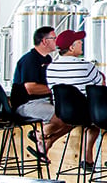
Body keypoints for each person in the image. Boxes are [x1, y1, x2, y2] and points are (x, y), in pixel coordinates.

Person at [44, 29, 104, 170]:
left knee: (78, 120)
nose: (82, 44)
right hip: (86, 114)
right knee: (94, 123)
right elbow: (100, 86)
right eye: (79, 42)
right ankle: (87, 157)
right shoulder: (86, 66)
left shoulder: (51, 68)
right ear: (71, 47)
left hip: (63, 113)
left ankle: (47, 139)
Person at [15, 26, 72, 165]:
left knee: (74, 117)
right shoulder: (30, 60)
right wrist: (54, 89)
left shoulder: (47, 59)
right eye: (54, 38)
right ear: (44, 41)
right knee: (63, 116)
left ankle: (45, 141)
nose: (56, 41)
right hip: (27, 104)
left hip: (44, 101)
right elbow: (31, 88)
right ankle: (39, 135)